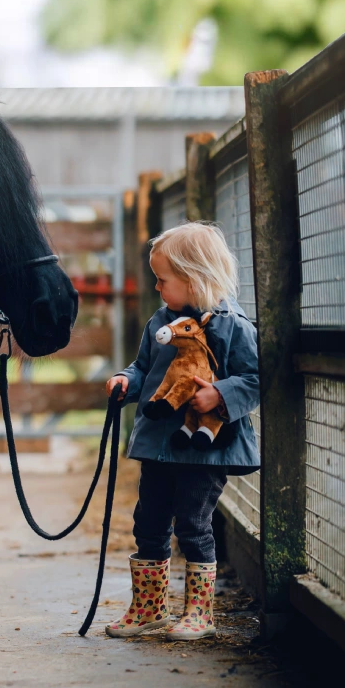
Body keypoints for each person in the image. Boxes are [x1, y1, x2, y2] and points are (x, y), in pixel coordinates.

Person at [105, 222, 259, 641]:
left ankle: (198, 612)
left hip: (205, 451)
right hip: (160, 446)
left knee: (193, 523)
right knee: (148, 522)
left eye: (162, 279)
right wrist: (125, 381)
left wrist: (220, 396)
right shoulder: (161, 322)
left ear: (194, 278)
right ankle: (149, 607)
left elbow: (254, 378)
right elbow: (145, 370)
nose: (156, 286)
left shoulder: (233, 326)